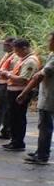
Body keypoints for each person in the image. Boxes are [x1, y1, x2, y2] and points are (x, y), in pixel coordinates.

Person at [16, 31, 54, 165]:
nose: (48, 43)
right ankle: (40, 151)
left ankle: (42, 155)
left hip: (49, 98)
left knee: (45, 127)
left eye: (50, 40)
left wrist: (24, 92)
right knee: (43, 126)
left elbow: (39, 76)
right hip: (46, 96)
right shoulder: (51, 55)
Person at [3, 38, 40, 151]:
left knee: (18, 118)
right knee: (13, 118)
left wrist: (8, 75)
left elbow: (23, 79)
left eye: (17, 51)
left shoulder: (30, 61)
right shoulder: (23, 59)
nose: (16, 53)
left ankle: (18, 142)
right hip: (14, 91)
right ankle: (14, 140)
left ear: (24, 48)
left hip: (20, 92)